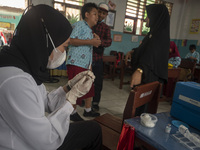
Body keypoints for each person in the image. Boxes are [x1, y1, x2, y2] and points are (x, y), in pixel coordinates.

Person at [0, 4, 102, 150]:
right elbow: (47, 142)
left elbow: (44, 101)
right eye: (64, 47)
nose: (63, 52)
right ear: (45, 42)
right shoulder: (15, 82)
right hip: (27, 145)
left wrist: (69, 88)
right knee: (93, 131)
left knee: (92, 128)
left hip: (32, 137)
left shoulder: (23, 64)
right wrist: (70, 101)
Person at [128, 4, 170, 116]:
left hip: (150, 77)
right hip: (147, 75)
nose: (145, 18)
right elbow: (146, 50)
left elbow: (152, 55)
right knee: (139, 108)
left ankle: (135, 131)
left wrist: (140, 70)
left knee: (143, 110)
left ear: (155, 17)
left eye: (148, 16)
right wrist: (133, 51)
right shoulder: (153, 33)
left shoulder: (160, 35)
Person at [66, 2, 101, 121]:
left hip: (85, 65)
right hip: (76, 62)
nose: (97, 16)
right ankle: (72, 112)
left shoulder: (89, 30)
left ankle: (88, 110)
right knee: (75, 89)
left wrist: (89, 66)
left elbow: (88, 49)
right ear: (86, 14)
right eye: (94, 14)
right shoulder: (80, 25)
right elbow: (71, 40)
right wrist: (91, 42)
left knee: (88, 87)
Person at [92, 2, 112, 111]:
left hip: (98, 59)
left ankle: (95, 102)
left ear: (106, 15)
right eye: (99, 12)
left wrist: (98, 41)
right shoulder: (89, 23)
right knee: (84, 80)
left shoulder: (106, 28)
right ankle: (83, 100)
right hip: (86, 58)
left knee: (98, 82)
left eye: (103, 13)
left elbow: (109, 41)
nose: (101, 15)